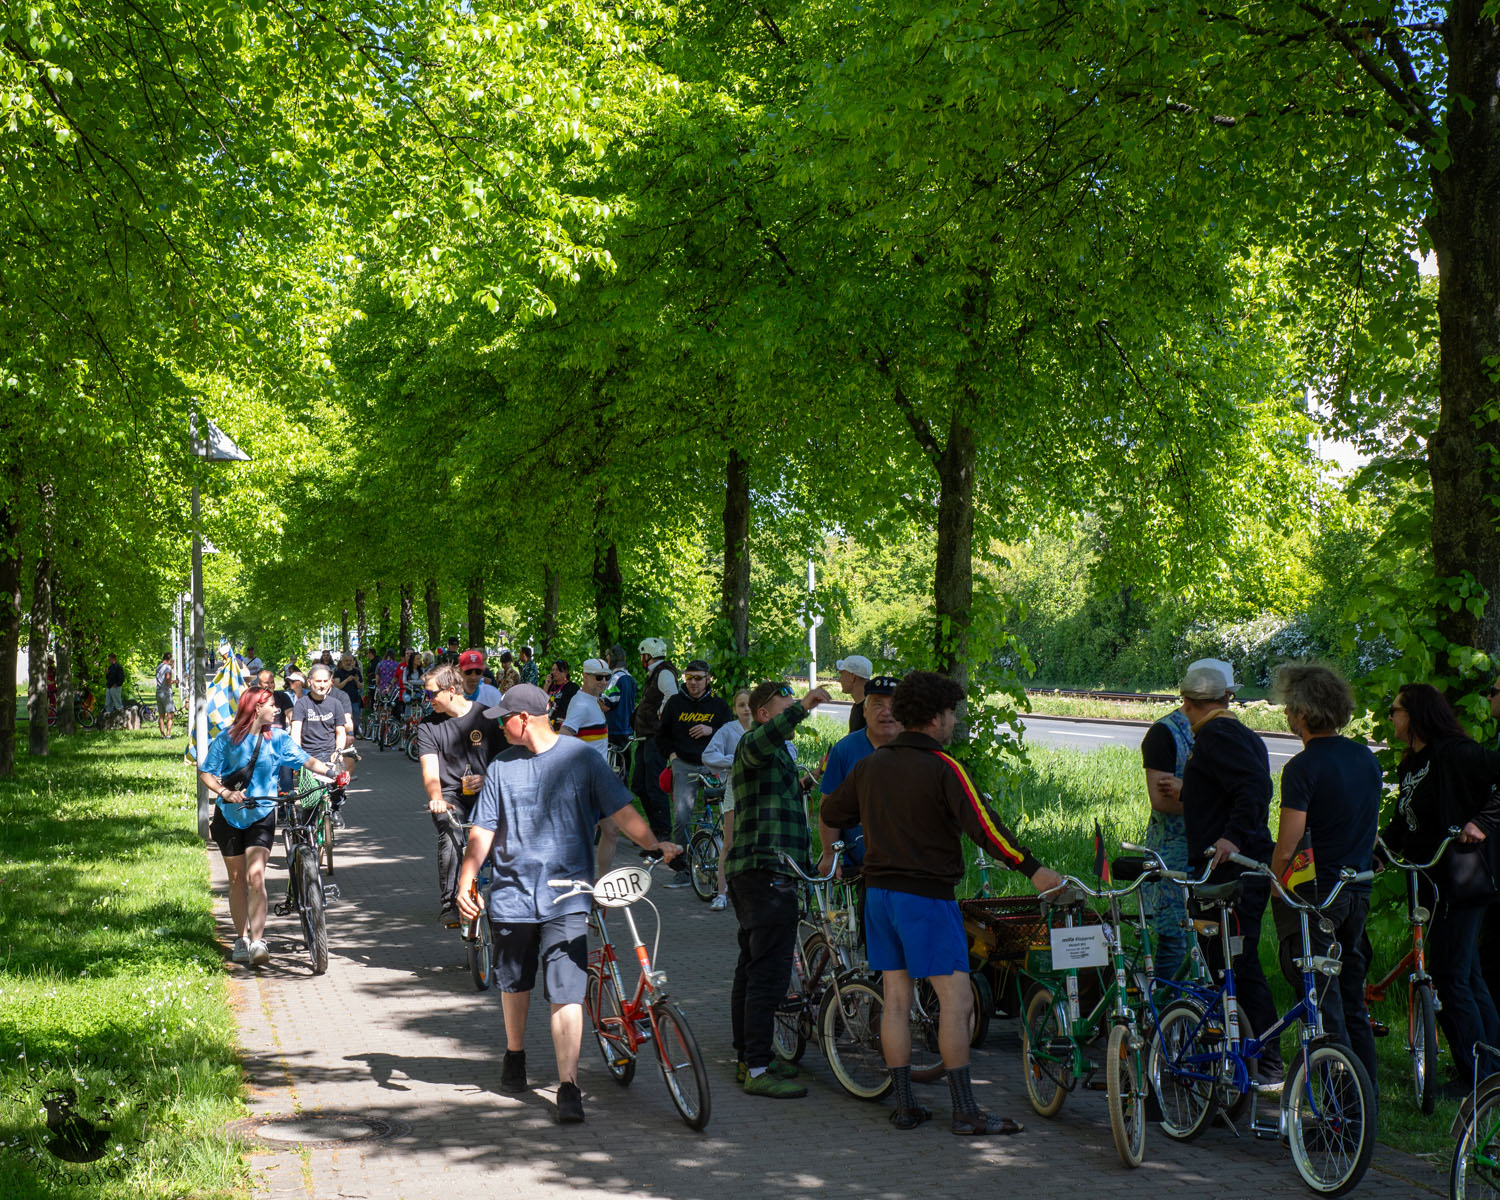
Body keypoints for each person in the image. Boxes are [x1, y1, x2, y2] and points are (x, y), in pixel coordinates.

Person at [820, 670, 1061, 1133]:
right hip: (926, 898)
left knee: (895, 999)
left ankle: (906, 1104)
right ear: (935, 717)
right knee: (956, 1001)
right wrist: (1034, 869)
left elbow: (832, 811)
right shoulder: (944, 768)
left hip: (878, 897)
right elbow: (985, 828)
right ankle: (966, 1110)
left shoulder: (870, 765)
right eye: (951, 713)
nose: (953, 721)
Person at [454, 684, 680, 1123]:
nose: (500, 724)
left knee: (567, 991)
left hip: (570, 896)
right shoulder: (501, 767)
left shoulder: (582, 759)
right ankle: (514, 1054)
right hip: (513, 895)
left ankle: (568, 1085)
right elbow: (482, 829)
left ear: (524, 720)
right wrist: (467, 879)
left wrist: (654, 844)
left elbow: (622, 809)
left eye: (505, 718)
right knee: (515, 982)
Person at [1269, 663, 1380, 1092]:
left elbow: (1288, 844)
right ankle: (1365, 1101)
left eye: (1288, 709)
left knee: (1322, 1001)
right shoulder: (1364, 758)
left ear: (1301, 712)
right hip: (1358, 888)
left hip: (1319, 895)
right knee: (1352, 998)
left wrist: (1275, 882)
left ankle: (1338, 1112)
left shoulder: (1302, 767)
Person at [1385, 681, 1500, 1090]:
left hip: (1461, 880)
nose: (1391, 717)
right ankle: (1488, 1071)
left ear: (1416, 715)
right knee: (1466, 975)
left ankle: (1476, 1078)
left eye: (1396, 710)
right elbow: (1405, 823)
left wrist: (1482, 823)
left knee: (1451, 977)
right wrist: (1380, 850)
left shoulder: (1456, 752)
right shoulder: (1414, 763)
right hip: (1430, 881)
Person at [723, 679, 832, 1098]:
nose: (791, 708)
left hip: (765, 872)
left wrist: (813, 778)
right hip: (764, 873)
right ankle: (757, 1067)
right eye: (784, 703)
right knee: (767, 974)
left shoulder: (775, 756)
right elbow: (763, 739)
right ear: (766, 712)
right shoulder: (753, 741)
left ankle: (748, 1058)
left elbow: (782, 796)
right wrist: (804, 704)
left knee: (752, 970)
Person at [1176, 660, 1281, 1081]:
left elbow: (1255, 788)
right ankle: (1243, 1052)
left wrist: (1232, 836)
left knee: (1235, 963)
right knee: (1232, 963)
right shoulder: (1236, 734)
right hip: (1239, 867)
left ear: (1190, 703)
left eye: (1185, 705)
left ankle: (1264, 1057)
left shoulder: (1217, 735)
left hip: (1228, 872)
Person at [199, 687, 339, 967]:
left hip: (262, 814)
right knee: (237, 879)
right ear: (255, 708)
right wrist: (225, 793)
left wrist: (332, 772)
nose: (276, 710)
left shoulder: (277, 739)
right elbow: (206, 772)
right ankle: (241, 940)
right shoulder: (226, 740)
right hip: (229, 816)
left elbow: (305, 759)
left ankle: (258, 941)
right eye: (271, 705)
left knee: (256, 877)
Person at [1139, 657, 1233, 984]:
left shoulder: (1227, 733)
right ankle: (1165, 1016)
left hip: (1216, 852)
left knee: (1214, 937)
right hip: (1174, 852)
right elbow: (1162, 799)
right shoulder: (1164, 734)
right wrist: (1216, 803)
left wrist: (1192, 796)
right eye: (1221, 701)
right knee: (1175, 938)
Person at [417, 663, 505, 924]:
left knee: (507, 834)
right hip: (452, 796)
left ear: (452, 690)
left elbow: (505, 761)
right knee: (450, 830)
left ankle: (507, 896)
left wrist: (488, 777)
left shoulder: (487, 717)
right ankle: (450, 904)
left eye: (432, 693)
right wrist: (437, 798)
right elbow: (430, 771)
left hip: (488, 792)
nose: (427, 699)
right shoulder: (428, 726)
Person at [658, 659, 733, 888]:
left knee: (728, 814)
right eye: (689, 677)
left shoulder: (719, 706)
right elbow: (661, 735)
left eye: (699, 678)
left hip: (714, 766)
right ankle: (682, 870)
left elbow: (731, 732)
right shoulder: (674, 703)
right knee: (681, 816)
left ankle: (725, 866)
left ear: (708, 678)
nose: (693, 683)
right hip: (685, 764)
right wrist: (672, 757)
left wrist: (712, 729)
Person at [816, 675, 902, 869]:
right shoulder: (844, 750)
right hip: (859, 857)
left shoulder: (917, 749)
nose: (886, 712)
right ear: (864, 710)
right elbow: (828, 805)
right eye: (878, 704)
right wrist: (829, 855)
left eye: (894, 705)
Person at [700, 688, 752, 910]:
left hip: (759, 790)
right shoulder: (728, 730)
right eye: (741, 705)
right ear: (735, 709)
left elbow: (789, 749)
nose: (746, 709)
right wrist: (731, 761)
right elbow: (709, 755)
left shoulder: (765, 728)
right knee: (729, 840)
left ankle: (750, 890)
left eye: (750, 704)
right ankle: (721, 893)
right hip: (735, 787)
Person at [632, 637, 678, 840]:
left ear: (648, 655)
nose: (642, 659)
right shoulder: (654, 674)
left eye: (643, 655)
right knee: (639, 786)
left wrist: (661, 713)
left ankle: (663, 833)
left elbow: (672, 695)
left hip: (655, 738)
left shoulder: (664, 673)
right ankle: (655, 830)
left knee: (654, 785)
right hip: (645, 738)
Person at [291, 664, 351, 820]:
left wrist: (338, 751)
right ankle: (307, 831)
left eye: (325, 681)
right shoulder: (302, 704)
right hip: (309, 757)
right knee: (311, 800)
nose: (322, 685)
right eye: (318, 681)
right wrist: (297, 756)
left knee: (339, 784)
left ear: (331, 681)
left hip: (331, 755)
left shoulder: (335, 704)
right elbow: (296, 731)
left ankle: (336, 810)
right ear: (310, 682)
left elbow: (340, 732)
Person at [560, 658, 611, 755]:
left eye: (607, 677)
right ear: (585, 676)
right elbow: (563, 736)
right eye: (599, 677)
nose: (604, 682)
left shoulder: (592, 700)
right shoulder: (581, 704)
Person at [599, 644, 637, 757]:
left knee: (612, 769)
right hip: (627, 729)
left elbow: (606, 705)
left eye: (608, 657)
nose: (607, 660)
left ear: (612, 658)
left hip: (615, 730)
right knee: (623, 769)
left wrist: (593, 696)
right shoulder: (630, 678)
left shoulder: (616, 678)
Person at [835, 655, 873, 733]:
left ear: (852, 677)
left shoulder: (870, 712)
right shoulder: (859, 706)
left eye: (842, 674)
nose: (839, 680)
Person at [334, 654, 363, 738]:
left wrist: (357, 681)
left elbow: (361, 686)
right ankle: (344, 737)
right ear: (342, 662)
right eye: (346, 661)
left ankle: (352, 735)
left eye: (350, 660)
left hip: (354, 699)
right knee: (342, 720)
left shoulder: (356, 672)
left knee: (356, 723)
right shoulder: (338, 672)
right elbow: (337, 686)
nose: (348, 662)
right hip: (341, 700)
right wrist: (347, 680)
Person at [546, 660, 578, 727]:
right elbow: (541, 702)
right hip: (548, 724)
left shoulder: (572, 687)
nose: (554, 672)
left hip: (563, 725)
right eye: (553, 670)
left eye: (557, 670)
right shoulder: (550, 686)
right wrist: (547, 685)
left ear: (565, 672)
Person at [154, 653, 176, 738]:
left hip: (158, 692)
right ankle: (168, 734)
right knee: (170, 715)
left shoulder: (159, 667)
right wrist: (175, 681)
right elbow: (167, 680)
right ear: (169, 660)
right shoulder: (167, 667)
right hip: (166, 693)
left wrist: (171, 669)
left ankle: (162, 734)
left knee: (161, 716)